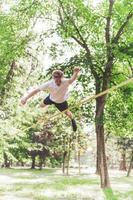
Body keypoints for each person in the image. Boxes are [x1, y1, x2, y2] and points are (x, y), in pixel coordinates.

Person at [21, 67, 80, 131]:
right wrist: (26, 98)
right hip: (51, 98)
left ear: (62, 78)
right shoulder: (49, 84)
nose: (58, 82)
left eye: (59, 80)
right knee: (41, 105)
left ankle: (73, 120)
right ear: (53, 79)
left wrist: (76, 72)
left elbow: (72, 79)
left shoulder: (65, 81)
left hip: (61, 101)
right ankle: (45, 110)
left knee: (68, 113)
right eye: (56, 81)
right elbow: (36, 90)